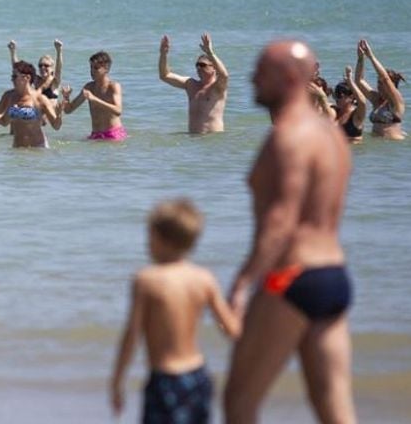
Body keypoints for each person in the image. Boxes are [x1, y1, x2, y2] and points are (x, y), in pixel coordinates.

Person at [224, 40, 355, 424]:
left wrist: (243, 283)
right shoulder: (332, 137)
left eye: (261, 71)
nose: (252, 78)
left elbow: (281, 220)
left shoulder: (288, 137)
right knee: (333, 405)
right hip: (333, 277)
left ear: (289, 78)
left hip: (291, 276)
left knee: (239, 402)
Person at [111, 199, 241, 422]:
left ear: (161, 239)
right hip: (198, 377)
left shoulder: (146, 280)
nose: (147, 243)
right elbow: (232, 330)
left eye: (149, 236)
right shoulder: (204, 279)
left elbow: (132, 335)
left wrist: (117, 381)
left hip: (165, 380)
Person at [0, 61, 62, 148]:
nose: (12, 80)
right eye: (12, 77)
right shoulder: (10, 96)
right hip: (17, 150)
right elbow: (3, 121)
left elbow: (56, 126)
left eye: (15, 77)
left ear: (27, 78)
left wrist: (59, 115)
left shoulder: (39, 99)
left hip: (38, 149)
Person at [158, 33, 229, 134]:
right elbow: (165, 75)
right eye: (197, 65)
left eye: (202, 65)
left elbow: (224, 75)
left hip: (212, 139)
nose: (198, 68)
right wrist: (163, 54)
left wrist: (210, 53)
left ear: (214, 68)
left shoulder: (218, 87)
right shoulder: (190, 84)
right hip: (193, 140)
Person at [61, 50, 126, 140]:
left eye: (96, 68)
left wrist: (94, 99)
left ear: (106, 69)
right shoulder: (89, 87)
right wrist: (66, 97)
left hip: (113, 134)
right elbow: (68, 110)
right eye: (91, 67)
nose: (92, 71)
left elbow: (118, 110)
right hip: (95, 135)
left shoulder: (113, 86)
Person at [355, 39, 406, 140]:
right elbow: (359, 81)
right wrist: (361, 59)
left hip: (393, 144)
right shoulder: (376, 99)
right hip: (379, 146)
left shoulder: (396, 102)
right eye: (378, 82)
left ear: (391, 85)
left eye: (381, 84)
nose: (378, 86)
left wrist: (371, 56)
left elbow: (385, 78)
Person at [333, 65, 366, 143]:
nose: (337, 99)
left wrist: (350, 81)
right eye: (336, 95)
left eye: (340, 96)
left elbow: (362, 102)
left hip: (353, 150)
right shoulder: (334, 111)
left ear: (351, 97)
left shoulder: (356, 114)